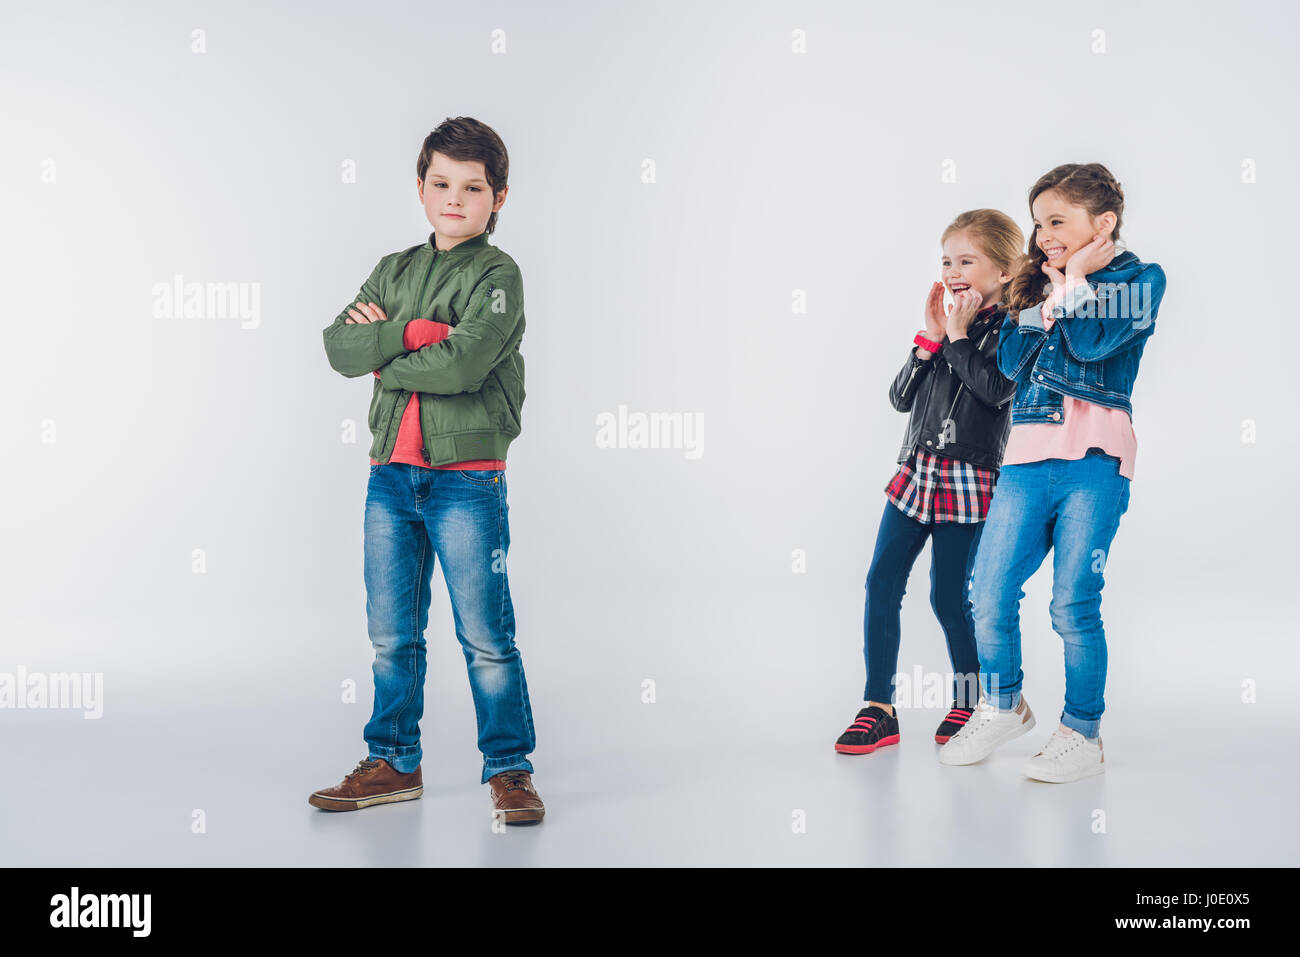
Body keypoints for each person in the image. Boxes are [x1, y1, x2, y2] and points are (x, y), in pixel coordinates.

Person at [311, 116, 543, 823]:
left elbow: (468, 362)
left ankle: (509, 769)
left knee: (485, 634)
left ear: (498, 197)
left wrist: (388, 352)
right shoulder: (393, 270)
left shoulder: (498, 274)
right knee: (392, 633)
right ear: (420, 188)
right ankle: (393, 760)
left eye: (472, 187)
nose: (455, 198)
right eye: (441, 183)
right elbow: (337, 347)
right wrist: (413, 334)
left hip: (466, 481)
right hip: (390, 478)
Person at [938, 163, 1165, 783]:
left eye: (1056, 221)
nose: (1042, 236)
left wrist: (1077, 282)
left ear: (1104, 222)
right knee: (985, 592)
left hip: (1095, 462)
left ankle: (1082, 734)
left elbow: (1093, 346)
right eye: (1038, 224)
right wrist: (1043, 296)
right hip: (1026, 459)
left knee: (1072, 604)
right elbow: (1012, 365)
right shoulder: (1036, 283)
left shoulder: (1140, 279)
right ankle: (1002, 704)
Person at [835, 210, 1021, 756]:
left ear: (1005, 272)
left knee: (948, 595)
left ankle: (970, 698)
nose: (954, 270)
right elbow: (899, 399)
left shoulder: (1013, 332)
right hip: (918, 470)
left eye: (968, 260)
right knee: (881, 582)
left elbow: (994, 392)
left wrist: (960, 336)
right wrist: (931, 341)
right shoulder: (943, 327)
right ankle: (878, 707)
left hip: (969, 475)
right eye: (947, 260)